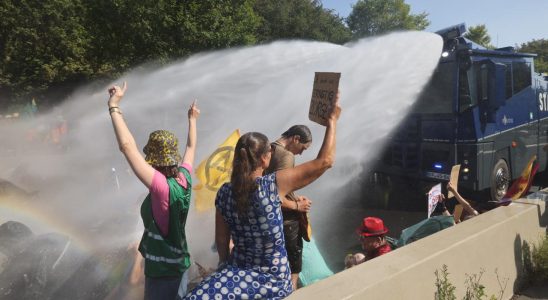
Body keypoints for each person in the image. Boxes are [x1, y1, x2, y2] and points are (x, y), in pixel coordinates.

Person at [184, 93, 341, 299]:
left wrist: (224, 268)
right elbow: (325, 161)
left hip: (236, 270)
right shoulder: (271, 186)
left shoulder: (224, 192)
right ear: (265, 159)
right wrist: (332, 121)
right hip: (274, 280)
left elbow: (222, 240)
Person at [107, 82, 200, 299]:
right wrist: (192, 119)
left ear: (153, 160)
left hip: (162, 274)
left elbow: (127, 147)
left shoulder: (161, 187)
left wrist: (114, 106)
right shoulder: (183, 177)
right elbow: (191, 148)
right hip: (180, 265)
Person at [264, 124, 313, 289]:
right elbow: (274, 195)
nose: (301, 153)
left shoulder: (268, 149)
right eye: (303, 148)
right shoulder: (286, 156)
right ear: (296, 138)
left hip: (268, 221)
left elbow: (271, 188)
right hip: (287, 222)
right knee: (293, 270)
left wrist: (293, 196)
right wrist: (297, 205)